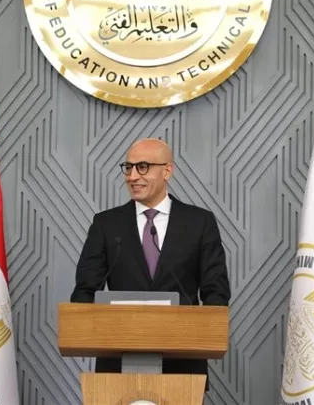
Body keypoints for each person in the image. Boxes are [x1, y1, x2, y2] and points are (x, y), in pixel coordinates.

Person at [70, 138, 231, 388]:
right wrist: (81, 325)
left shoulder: (199, 223)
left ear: (167, 171)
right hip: (117, 367)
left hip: (183, 368)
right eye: (128, 167)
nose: (133, 176)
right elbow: (85, 290)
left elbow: (216, 291)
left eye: (143, 167)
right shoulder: (106, 224)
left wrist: (207, 331)